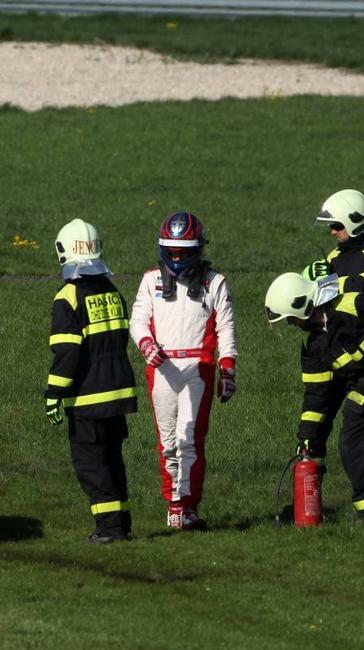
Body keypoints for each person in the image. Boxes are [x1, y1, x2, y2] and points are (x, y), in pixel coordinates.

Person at [265, 272, 364, 523]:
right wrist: (306, 438)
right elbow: (316, 396)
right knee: (352, 449)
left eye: (290, 318)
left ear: (302, 305)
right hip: (360, 391)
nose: (290, 324)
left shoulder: (350, 303)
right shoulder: (312, 345)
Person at [128, 212, 237, 531]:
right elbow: (137, 320)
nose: (176, 258)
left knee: (188, 438)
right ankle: (173, 504)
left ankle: (188, 505)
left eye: (183, 252)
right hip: (160, 368)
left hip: (198, 367)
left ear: (197, 249)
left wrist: (227, 367)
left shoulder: (214, 281)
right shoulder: (150, 280)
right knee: (167, 442)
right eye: (172, 251)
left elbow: (226, 326)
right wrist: (146, 345)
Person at [44, 218, 138, 544]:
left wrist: (53, 393)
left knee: (91, 465)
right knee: (113, 460)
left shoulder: (67, 296)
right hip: (119, 392)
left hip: (87, 398)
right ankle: (121, 524)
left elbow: (68, 353)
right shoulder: (112, 292)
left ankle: (109, 530)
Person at [300, 189, 364, 465]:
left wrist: (326, 284)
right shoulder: (333, 257)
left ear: (355, 222)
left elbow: (362, 288)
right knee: (312, 428)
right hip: (334, 350)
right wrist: (309, 279)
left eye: (337, 225)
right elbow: (318, 300)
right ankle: (309, 499)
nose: (331, 232)